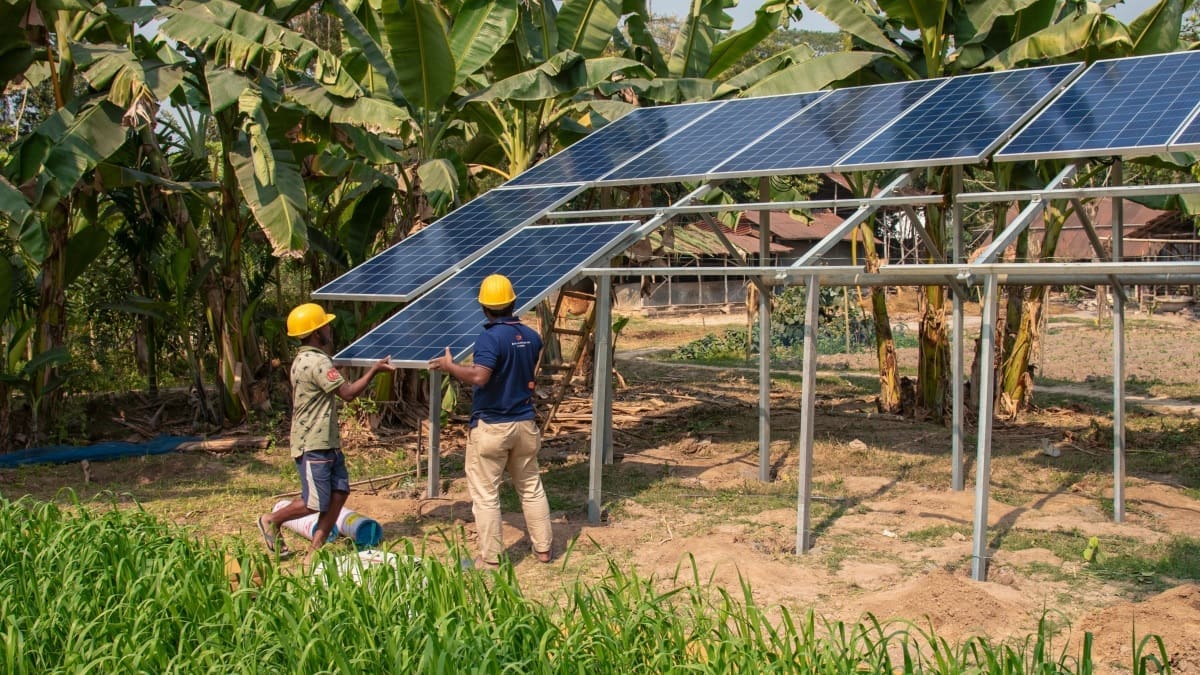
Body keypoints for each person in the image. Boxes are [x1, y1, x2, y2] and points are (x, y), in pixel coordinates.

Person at [429, 274, 553, 569]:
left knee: (485, 495)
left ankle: (491, 558)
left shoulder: (489, 338)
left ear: (484, 308)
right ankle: (545, 549)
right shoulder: (532, 337)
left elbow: (480, 377)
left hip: (493, 427)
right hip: (525, 424)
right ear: (513, 302)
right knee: (531, 487)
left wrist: (450, 366)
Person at [257, 302, 394, 564]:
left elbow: (325, 377)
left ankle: (314, 551)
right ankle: (271, 520)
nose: (329, 328)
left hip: (325, 441)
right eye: (325, 325)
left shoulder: (303, 359)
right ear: (316, 333)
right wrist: (374, 370)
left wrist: (336, 365)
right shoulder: (318, 362)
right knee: (313, 503)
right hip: (313, 443)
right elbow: (349, 394)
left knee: (340, 493)